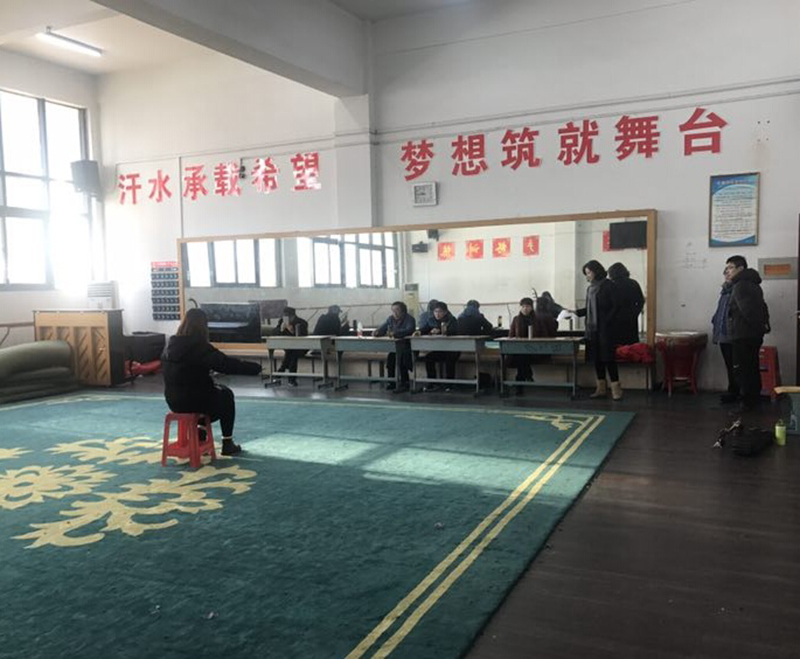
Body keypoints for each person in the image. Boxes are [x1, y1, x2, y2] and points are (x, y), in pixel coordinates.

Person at [161, 308, 262, 456]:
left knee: (206, 394)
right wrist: (254, 368)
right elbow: (225, 364)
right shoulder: (200, 347)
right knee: (225, 394)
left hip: (173, 401)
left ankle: (200, 435)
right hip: (196, 401)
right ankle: (227, 443)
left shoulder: (169, 346)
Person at [725, 255, 770, 412]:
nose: (727, 271)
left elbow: (748, 311)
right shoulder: (753, 284)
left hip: (743, 335)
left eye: (730, 267)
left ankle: (747, 403)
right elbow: (762, 308)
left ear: (740, 269)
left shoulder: (741, 286)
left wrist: (753, 328)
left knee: (743, 370)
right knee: (751, 368)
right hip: (752, 334)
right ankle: (753, 401)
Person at [574, 260, 622, 400]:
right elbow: (589, 308)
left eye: (589, 273)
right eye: (586, 273)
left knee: (608, 359)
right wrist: (575, 312)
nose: (587, 276)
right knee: (596, 359)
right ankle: (601, 388)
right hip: (592, 330)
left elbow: (616, 306)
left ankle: (616, 389)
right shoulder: (590, 289)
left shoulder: (609, 285)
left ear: (596, 271)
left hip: (605, 330)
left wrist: (607, 321)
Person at [508, 297, 550, 392]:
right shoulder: (516, 319)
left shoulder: (537, 320)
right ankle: (527, 376)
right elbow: (511, 335)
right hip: (519, 350)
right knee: (521, 357)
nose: (525, 309)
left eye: (527, 306)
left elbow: (544, 335)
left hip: (535, 350)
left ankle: (519, 382)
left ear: (531, 307)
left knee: (522, 358)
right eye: (523, 306)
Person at [373, 301, 416, 393]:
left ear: (403, 311)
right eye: (393, 310)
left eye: (397, 310)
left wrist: (396, 333)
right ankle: (391, 382)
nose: (395, 313)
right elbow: (383, 328)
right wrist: (377, 332)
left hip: (408, 347)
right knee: (391, 358)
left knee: (402, 359)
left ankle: (405, 383)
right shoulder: (390, 319)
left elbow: (409, 330)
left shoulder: (410, 319)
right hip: (395, 347)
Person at [711, 267, 738, 404]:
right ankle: (732, 391)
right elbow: (720, 312)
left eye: (730, 269)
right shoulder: (725, 291)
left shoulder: (738, 290)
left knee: (736, 366)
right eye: (725, 272)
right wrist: (714, 320)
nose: (726, 274)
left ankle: (738, 393)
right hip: (723, 334)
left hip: (734, 335)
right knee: (729, 365)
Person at [421, 301, 459, 391]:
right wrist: (421, 332)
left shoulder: (452, 320)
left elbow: (454, 331)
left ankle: (450, 384)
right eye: (435, 312)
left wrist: (441, 331)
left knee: (450, 358)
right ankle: (432, 382)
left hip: (453, 349)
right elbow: (424, 329)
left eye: (440, 312)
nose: (437, 314)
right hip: (440, 349)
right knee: (428, 358)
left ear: (445, 312)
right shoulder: (431, 320)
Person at [608, 262, 644, 346]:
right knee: (631, 344)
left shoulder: (611, 285)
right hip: (631, 318)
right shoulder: (634, 283)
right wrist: (635, 313)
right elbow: (641, 301)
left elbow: (608, 303)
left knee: (617, 345)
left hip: (615, 319)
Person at [275, 306, 309, 386]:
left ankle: (282, 370)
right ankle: (291, 379)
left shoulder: (302, 323)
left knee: (293, 352)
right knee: (292, 352)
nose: (285, 318)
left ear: (292, 316)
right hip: (288, 348)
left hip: (302, 347)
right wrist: (280, 330)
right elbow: (274, 333)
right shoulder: (282, 322)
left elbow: (302, 336)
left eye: (286, 316)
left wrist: (292, 331)